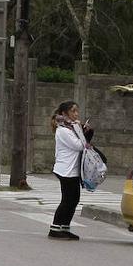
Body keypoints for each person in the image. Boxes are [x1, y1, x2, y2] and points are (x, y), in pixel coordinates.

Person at [49, 101, 91, 240]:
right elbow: (79, 145)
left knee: (74, 199)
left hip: (72, 169)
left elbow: (81, 142)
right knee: (68, 200)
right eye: (73, 111)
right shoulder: (63, 130)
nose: (76, 114)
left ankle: (64, 227)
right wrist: (86, 134)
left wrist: (83, 131)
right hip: (65, 169)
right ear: (64, 114)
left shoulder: (72, 128)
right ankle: (55, 228)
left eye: (76, 111)